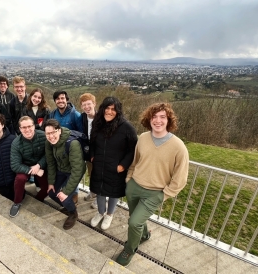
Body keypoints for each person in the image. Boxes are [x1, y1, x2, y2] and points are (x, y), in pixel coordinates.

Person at [116, 102, 189, 267]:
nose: (158, 120)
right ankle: (144, 235)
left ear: (168, 120)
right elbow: (135, 161)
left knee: (134, 222)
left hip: (155, 193)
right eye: (154, 117)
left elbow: (181, 178)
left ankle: (129, 249)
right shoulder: (143, 138)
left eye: (162, 117)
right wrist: (129, 179)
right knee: (135, 218)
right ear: (148, 119)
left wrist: (165, 194)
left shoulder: (179, 147)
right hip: (134, 186)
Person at [89, 97, 137, 230]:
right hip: (99, 165)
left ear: (118, 111)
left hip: (116, 167)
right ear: (102, 109)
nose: (109, 112)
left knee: (113, 192)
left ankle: (109, 214)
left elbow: (133, 149)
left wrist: (123, 165)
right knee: (99, 190)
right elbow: (91, 141)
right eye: (107, 108)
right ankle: (100, 212)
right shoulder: (97, 123)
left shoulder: (126, 127)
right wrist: (92, 156)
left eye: (113, 109)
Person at [44, 119, 86, 230]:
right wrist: (51, 183)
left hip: (74, 171)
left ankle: (73, 213)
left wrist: (66, 192)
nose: (51, 136)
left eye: (53, 132)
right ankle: (69, 206)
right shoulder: (48, 142)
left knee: (65, 197)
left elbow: (77, 170)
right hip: (61, 169)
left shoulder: (73, 144)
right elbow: (51, 163)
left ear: (59, 131)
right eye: (48, 133)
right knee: (52, 193)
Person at [9, 116, 49, 217]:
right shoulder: (16, 143)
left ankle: (38, 199)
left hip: (40, 165)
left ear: (34, 126)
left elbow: (48, 154)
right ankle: (17, 202)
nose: (27, 129)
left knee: (47, 187)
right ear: (20, 129)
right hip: (25, 166)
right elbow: (15, 165)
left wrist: (39, 165)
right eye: (23, 127)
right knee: (20, 178)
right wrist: (32, 170)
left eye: (29, 126)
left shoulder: (43, 136)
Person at [79, 93, 98, 208]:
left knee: (99, 175)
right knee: (91, 173)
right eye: (84, 105)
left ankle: (99, 198)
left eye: (89, 104)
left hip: (100, 152)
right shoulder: (82, 118)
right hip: (88, 151)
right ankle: (93, 192)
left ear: (94, 104)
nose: (86, 107)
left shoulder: (101, 118)